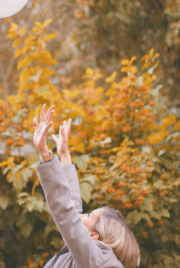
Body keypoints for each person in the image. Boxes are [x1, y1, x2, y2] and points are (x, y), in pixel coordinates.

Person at [33, 104, 140, 268]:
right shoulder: (94, 258)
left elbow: (66, 212)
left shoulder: (94, 260)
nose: (81, 215)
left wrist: (44, 153)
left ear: (94, 235)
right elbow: (71, 207)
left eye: (89, 216)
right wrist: (64, 155)